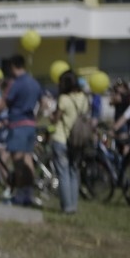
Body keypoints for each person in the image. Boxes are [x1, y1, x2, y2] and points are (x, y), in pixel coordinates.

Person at [0, 54, 41, 207]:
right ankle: (29, 193)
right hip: (31, 124)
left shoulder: (15, 83)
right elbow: (43, 102)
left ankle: (19, 194)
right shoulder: (34, 83)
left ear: (12, 67)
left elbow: (4, 102)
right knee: (28, 160)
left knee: (17, 162)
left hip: (17, 124)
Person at [51, 70, 89, 215]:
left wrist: (50, 114)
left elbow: (56, 120)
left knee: (63, 173)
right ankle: (74, 205)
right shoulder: (84, 98)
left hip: (62, 138)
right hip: (78, 140)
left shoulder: (64, 99)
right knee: (74, 172)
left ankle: (67, 207)